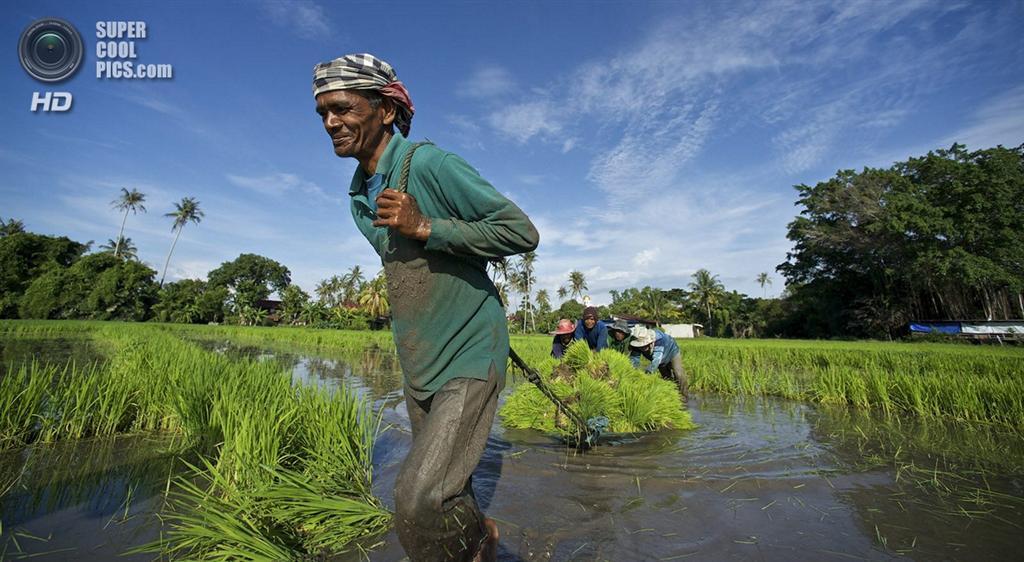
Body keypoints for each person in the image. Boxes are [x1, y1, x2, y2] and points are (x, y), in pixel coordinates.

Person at [313, 53, 539, 562]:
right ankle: (481, 545)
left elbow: (521, 231)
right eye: (323, 112)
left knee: (417, 500)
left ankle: (474, 546)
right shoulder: (357, 198)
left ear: (385, 111)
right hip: (420, 360)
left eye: (343, 108)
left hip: (469, 350)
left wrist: (427, 227)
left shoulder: (430, 165)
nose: (331, 122)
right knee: (449, 490)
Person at [629, 325, 689, 398]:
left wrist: (648, 372)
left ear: (650, 342)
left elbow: (657, 359)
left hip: (672, 352)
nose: (643, 348)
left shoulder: (659, 339)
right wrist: (634, 374)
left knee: (678, 374)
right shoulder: (636, 343)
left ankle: (684, 396)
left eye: (645, 346)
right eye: (641, 346)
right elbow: (634, 359)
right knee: (666, 378)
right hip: (659, 359)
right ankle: (672, 397)